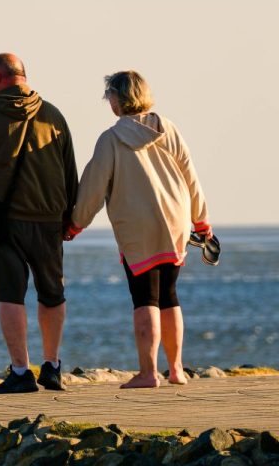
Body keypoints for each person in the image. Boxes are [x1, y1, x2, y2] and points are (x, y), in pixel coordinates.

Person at [65, 71, 212, 389]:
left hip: (137, 225)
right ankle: (176, 370)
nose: (110, 103)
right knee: (170, 296)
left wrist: (76, 223)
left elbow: (93, 186)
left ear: (118, 98)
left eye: (110, 97)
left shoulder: (112, 139)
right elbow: (191, 175)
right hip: (175, 219)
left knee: (145, 296)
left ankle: (148, 373)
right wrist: (201, 221)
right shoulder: (167, 128)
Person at [0, 53, 78, 393]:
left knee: (9, 294)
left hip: (1, 220)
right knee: (52, 293)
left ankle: (21, 372)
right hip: (49, 219)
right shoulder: (53, 115)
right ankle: (51, 366)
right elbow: (69, 172)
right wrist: (71, 217)